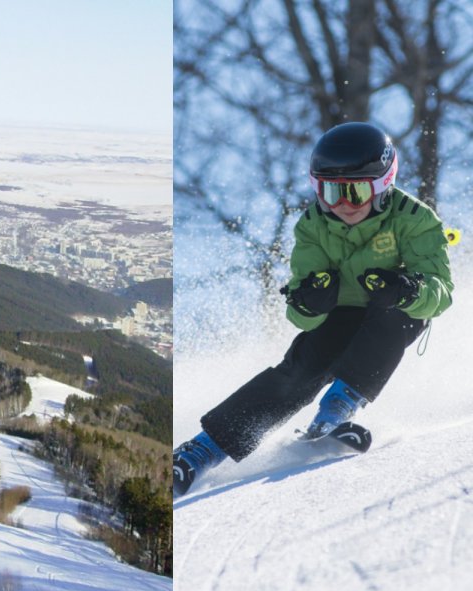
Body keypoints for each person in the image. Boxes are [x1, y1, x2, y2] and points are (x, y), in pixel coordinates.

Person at [173, 122, 454, 497]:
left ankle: (334, 413)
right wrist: (308, 303)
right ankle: (200, 452)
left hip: (395, 311)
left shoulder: (415, 220)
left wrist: (407, 290)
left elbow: (441, 291)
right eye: (329, 191)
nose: (342, 204)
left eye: (354, 192)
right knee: (303, 366)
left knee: (390, 321)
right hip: (340, 313)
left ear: (383, 184)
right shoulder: (313, 226)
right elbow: (300, 317)